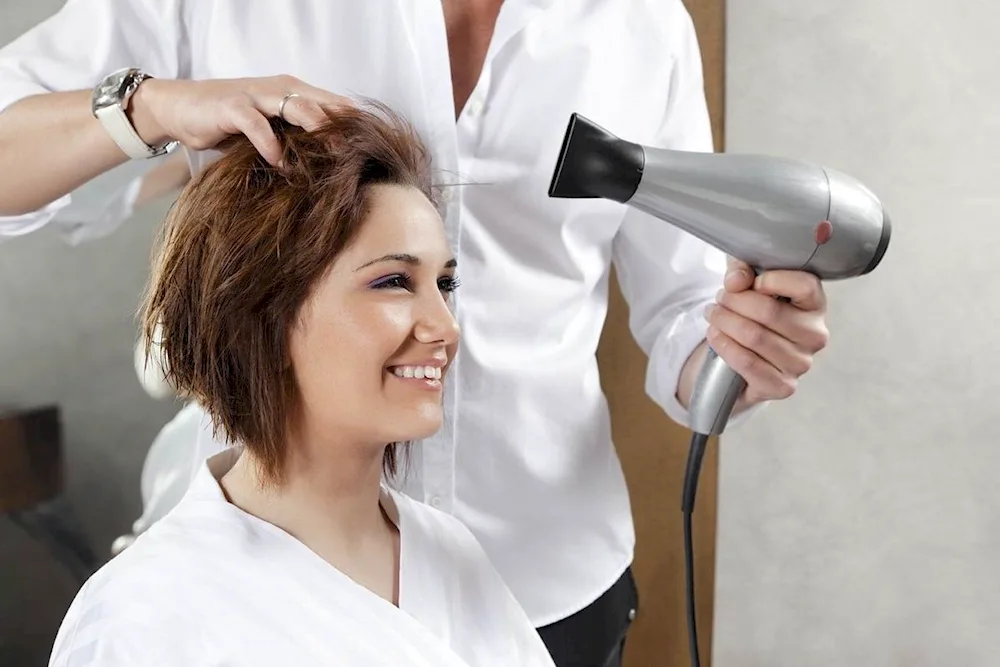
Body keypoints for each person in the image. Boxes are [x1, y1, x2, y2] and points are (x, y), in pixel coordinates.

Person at [0, 2, 832, 664]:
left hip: (541, 582)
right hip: (273, 587)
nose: (444, 328)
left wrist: (743, 349)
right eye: (396, 281)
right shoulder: (156, 622)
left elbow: (689, 309)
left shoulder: (637, 25)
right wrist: (153, 105)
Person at [48, 102, 558, 667]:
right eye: (394, 282)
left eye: (444, 283)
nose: (444, 327)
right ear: (263, 314)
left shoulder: (448, 553)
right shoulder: (145, 614)